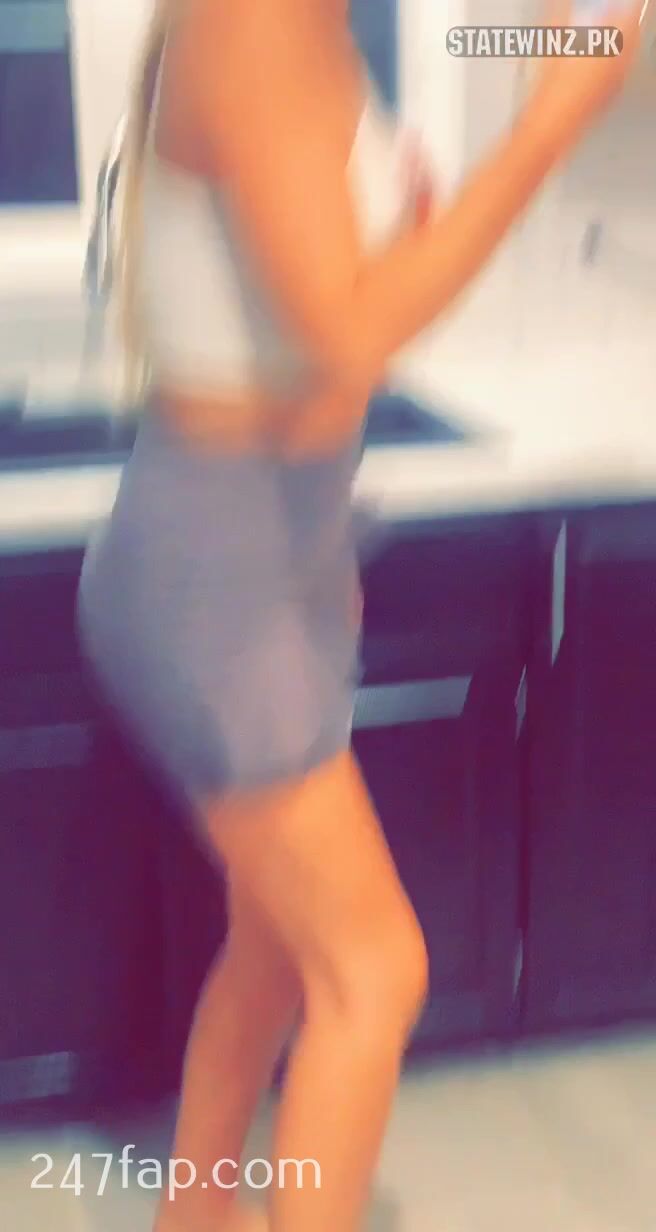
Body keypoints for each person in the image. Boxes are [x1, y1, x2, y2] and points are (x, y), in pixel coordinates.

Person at [76, 2, 642, 1230]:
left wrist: (429, 209)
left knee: (280, 949)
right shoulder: (258, 20)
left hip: (285, 546)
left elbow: (335, 318)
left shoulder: (317, 23)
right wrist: (550, 120)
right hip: (216, 573)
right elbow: (348, 328)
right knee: (371, 967)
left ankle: (194, 1215)